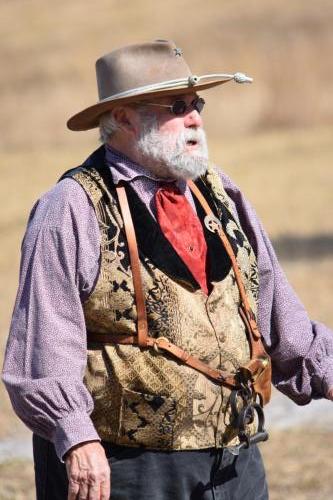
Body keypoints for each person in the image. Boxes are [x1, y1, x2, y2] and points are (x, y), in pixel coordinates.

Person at [2, 40, 333, 500]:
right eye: (176, 106)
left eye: (196, 104)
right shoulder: (70, 208)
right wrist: (76, 435)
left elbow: (282, 322)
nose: (196, 117)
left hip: (234, 465)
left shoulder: (220, 193)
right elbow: (43, 352)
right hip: (125, 470)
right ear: (122, 117)